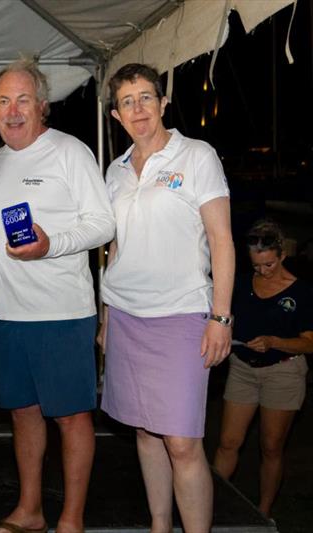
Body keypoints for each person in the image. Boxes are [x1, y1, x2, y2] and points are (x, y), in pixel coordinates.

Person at [98, 63, 235, 533]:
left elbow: (222, 242)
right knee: (143, 430)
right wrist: (106, 315)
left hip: (181, 316)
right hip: (126, 316)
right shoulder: (114, 172)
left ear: (162, 103)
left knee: (181, 440)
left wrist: (221, 317)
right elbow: (114, 247)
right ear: (115, 115)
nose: (138, 109)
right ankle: (160, 526)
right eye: (127, 101)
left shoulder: (196, 155)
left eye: (145, 97)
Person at [0, 58, 115, 533]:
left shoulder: (69, 152)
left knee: (72, 417)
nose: (12, 110)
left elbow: (103, 223)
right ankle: (30, 510)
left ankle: (71, 520)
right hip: (10, 313)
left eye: (22, 100)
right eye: (2, 101)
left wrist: (50, 246)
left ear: (42, 107)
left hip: (63, 312)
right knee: (23, 413)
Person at [214, 219, 312, 516]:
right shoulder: (242, 283)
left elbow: (309, 343)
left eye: (268, 264)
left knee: (271, 447)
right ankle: (209, 504)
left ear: (282, 254)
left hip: (283, 372)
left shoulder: (302, 292)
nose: (262, 271)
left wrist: (273, 342)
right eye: (256, 265)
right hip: (243, 368)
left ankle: (264, 511)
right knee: (228, 442)